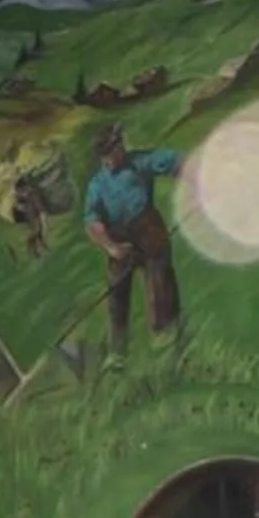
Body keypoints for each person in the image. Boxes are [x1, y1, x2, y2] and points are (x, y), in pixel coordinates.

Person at [81, 126, 184, 353]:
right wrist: (111, 247)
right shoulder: (97, 186)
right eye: (112, 150)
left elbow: (172, 161)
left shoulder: (138, 162)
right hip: (118, 239)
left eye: (119, 146)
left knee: (159, 275)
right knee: (117, 291)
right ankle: (118, 349)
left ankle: (166, 337)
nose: (119, 152)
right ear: (103, 156)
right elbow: (92, 221)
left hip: (147, 227)